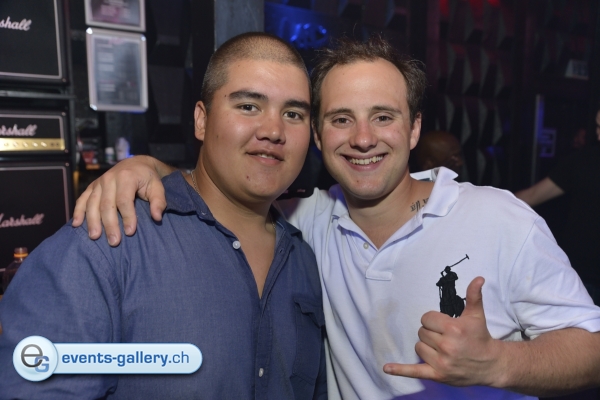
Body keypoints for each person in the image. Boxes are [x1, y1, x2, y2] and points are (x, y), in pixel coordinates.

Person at [73, 36, 600, 399]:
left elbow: (591, 348)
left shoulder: (499, 218)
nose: (363, 139)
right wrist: (147, 168)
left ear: (414, 129)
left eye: (383, 117)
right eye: (341, 119)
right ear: (318, 136)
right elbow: (227, 182)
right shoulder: (307, 220)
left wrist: (500, 364)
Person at [0, 32, 327, 399]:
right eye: (249, 106)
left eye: (293, 114)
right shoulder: (109, 242)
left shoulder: (303, 260)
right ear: (201, 120)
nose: (273, 131)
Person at [515, 108, 600, 305]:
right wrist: (484, 203)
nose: (599, 134)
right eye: (598, 126)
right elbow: (532, 196)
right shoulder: (583, 161)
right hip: (583, 278)